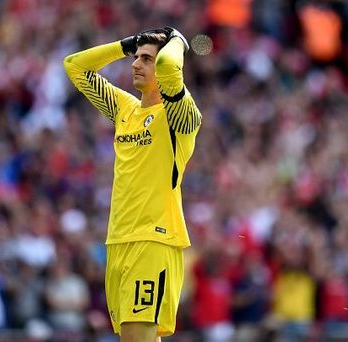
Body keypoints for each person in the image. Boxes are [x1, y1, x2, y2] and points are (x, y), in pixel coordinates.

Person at [64, 26, 202, 341]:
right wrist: (125, 45)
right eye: (136, 58)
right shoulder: (124, 109)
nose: (136, 64)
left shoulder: (180, 117)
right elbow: (75, 66)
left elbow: (169, 68)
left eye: (147, 59)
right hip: (118, 240)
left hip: (153, 240)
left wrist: (178, 39)